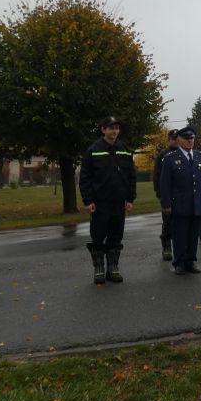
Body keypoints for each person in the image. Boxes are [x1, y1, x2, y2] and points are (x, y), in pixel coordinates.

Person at [79, 116, 136, 284]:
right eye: (111, 128)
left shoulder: (124, 149)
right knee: (98, 236)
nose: (115, 131)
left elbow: (131, 176)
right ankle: (99, 268)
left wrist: (130, 198)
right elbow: (85, 177)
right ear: (103, 130)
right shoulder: (93, 150)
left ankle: (113, 268)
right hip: (100, 202)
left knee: (116, 236)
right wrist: (88, 201)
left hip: (119, 202)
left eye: (117, 128)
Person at [160, 126, 201, 274]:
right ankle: (180, 262)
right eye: (187, 139)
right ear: (179, 140)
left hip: (197, 203)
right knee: (180, 234)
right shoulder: (170, 158)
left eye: (192, 138)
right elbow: (165, 184)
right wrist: (166, 204)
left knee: (193, 235)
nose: (190, 141)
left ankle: (191, 261)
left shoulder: (200, 157)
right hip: (179, 203)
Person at [152, 129, 179, 260]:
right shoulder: (163, 154)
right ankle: (167, 247)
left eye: (177, 139)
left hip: (181, 194)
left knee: (181, 222)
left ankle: (180, 248)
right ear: (169, 140)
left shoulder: (183, 153)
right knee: (167, 222)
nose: (176, 141)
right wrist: (159, 193)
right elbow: (157, 175)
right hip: (167, 194)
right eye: (173, 139)